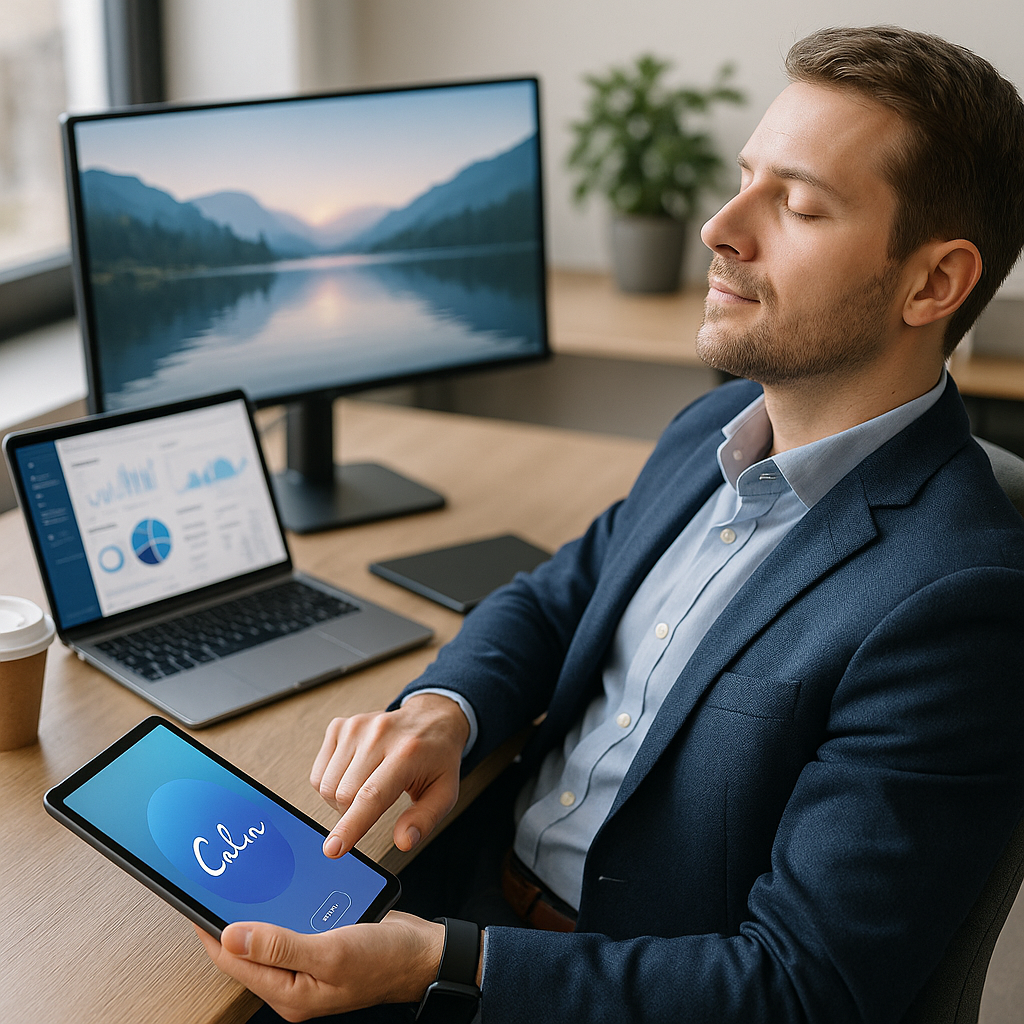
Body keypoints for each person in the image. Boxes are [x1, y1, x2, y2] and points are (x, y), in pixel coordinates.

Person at [196, 25, 1024, 1023]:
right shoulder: (713, 425)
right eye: (743, 178)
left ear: (933, 283)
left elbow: (801, 991)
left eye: (797, 204)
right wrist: (444, 711)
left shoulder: (957, 602)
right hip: (464, 892)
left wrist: (442, 965)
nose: (721, 225)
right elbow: (560, 593)